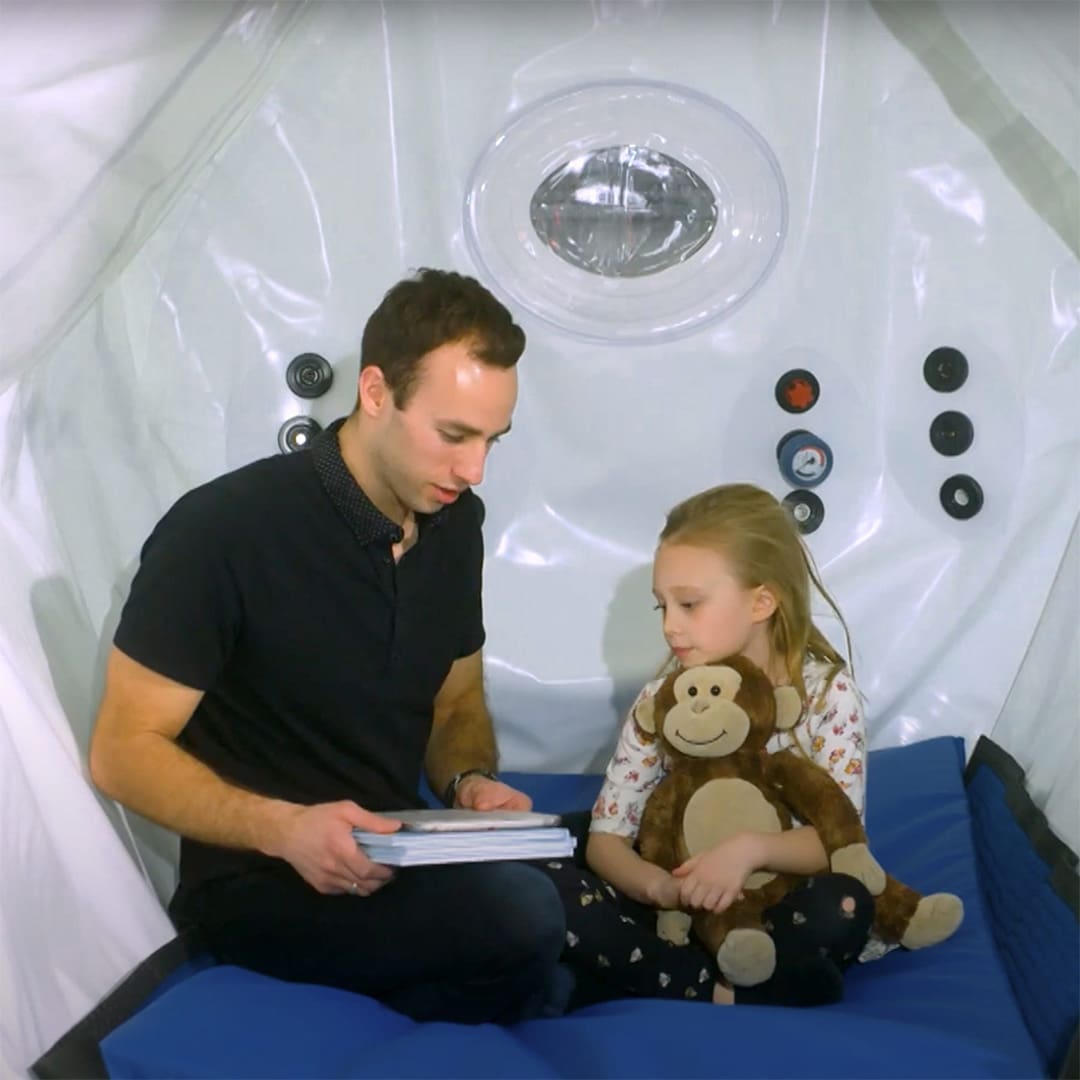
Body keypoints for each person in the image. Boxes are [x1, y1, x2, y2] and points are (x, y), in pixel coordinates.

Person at [89, 268, 571, 1025]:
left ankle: (515, 985)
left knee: (596, 869)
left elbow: (456, 701)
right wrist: (284, 829)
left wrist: (469, 785)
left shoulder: (457, 525)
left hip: (396, 851)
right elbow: (121, 751)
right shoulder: (222, 531)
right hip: (264, 876)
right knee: (526, 918)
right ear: (375, 392)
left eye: (491, 441)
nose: (474, 471)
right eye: (453, 436)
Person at [545, 483, 876, 1009]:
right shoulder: (662, 699)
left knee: (847, 904)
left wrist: (748, 851)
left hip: (771, 907)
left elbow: (840, 839)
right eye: (662, 607)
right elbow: (607, 840)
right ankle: (708, 984)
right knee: (547, 865)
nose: (670, 626)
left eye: (690, 604)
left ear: (762, 601)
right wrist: (664, 890)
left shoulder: (824, 694)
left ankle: (676, 972)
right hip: (674, 908)